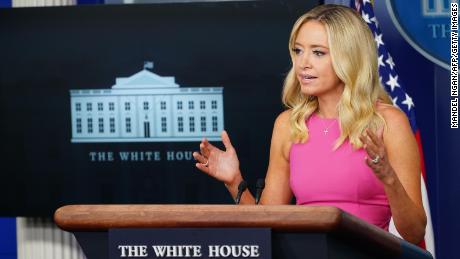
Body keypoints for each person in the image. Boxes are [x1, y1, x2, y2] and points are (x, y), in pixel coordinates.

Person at [192, 4, 426, 244]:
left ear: (349, 57)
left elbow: (414, 233)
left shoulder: (389, 122)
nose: (303, 63)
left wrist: (389, 178)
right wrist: (234, 181)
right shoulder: (288, 125)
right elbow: (268, 224)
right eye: (298, 50)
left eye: (318, 52)